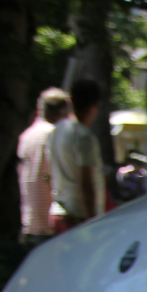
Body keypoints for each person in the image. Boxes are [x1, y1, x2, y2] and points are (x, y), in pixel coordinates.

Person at [49, 79, 105, 233]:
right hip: (77, 217)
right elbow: (86, 184)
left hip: (58, 210)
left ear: (71, 102)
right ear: (96, 106)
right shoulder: (84, 137)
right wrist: (92, 223)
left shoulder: (57, 130)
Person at [17, 87, 69, 244]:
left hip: (30, 220)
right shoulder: (55, 134)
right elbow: (59, 179)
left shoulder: (26, 135)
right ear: (63, 111)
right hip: (52, 223)